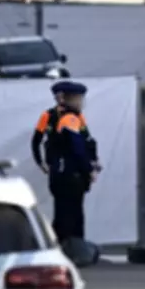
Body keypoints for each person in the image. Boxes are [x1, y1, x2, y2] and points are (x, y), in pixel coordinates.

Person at [50, 81, 98, 243]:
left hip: (64, 176)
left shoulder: (66, 117)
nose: (81, 103)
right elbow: (77, 149)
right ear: (70, 100)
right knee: (70, 217)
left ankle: (69, 247)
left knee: (66, 214)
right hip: (69, 176)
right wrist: (89, 170)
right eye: (78, 99)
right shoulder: (69, 119)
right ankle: (72, 249)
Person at [32, 81, 101, 176]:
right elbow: (36, 141)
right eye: (57, 97)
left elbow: (87, 138)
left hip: (75, 163)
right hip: (55, 161)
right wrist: (40, 162)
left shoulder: (78, 116)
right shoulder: (47, 116)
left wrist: (94, 159)